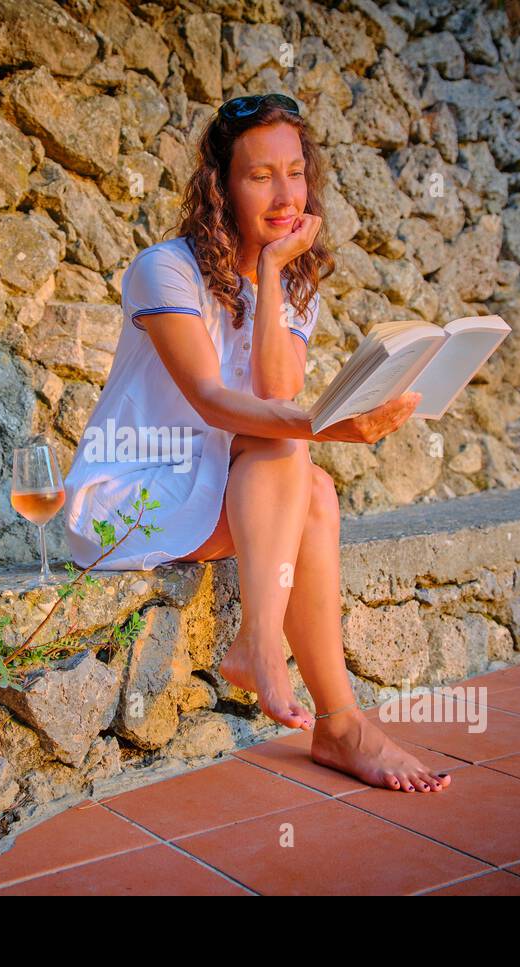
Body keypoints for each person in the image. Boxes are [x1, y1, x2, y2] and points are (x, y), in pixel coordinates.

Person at [62, 93, 450, 794]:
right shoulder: (165, 271)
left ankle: (325, 714)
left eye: (295, 172)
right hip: (134, 493)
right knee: (301, 468)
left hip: (222, 483)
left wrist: (270, 273)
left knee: (306, 477)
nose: (284, 194)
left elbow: (272, 397)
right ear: (221, 185)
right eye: (260, 175)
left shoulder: (294, 286)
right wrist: (330, 426)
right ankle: (296, 680)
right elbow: (213, 400)